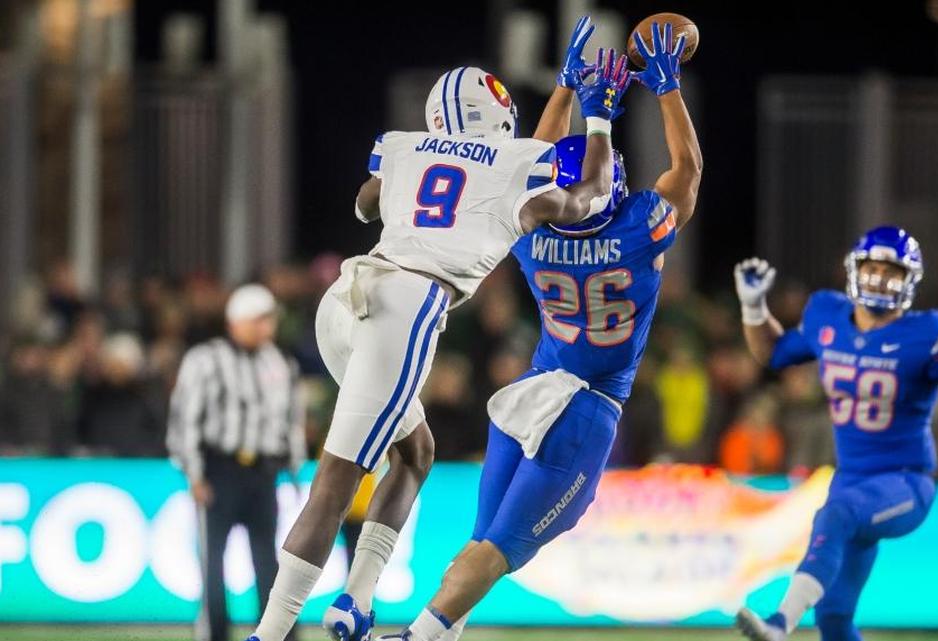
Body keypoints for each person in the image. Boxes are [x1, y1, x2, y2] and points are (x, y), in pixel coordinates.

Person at [246, 40, 632, 641]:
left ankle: (356, 600)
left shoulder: (401, 146)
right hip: (405, 309)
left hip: (344, 304)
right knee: (334, 485)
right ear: (499, 119)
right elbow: (587, 200)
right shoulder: (518, 163)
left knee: (415, 452)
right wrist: (600, 115)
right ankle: (267, 635)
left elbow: (364, 205)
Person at [381, 18, 701, 641]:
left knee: (481, 547)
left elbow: (525, 162)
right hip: (586, 408)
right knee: (498, 551)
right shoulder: (638, 230)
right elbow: (687, 170)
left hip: (529, 393)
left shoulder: (532, 232)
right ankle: (417, 636)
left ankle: (436, 633)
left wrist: (563, 90)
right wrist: (667, 88)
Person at [732, 226, 938, 641]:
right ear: (853, 270)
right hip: (851, 482)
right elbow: (774, 352)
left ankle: (779, 624)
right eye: (873, 268)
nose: (881, 279)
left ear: (910, 281)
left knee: (835, 515)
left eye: (892, 271)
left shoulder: (926, 334)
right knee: (833, 616)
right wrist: (754, 308)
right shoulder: (827, 315)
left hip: (905, 484)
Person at [166, 284, 306, 641]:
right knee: (213, 561)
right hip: (220, 470)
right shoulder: (206, 359)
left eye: (268, 320)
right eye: (259, 320)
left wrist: (292, 470)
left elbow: (291, 421)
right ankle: (214, 634)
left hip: (262, 472)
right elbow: (185, 418)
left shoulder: (280, 362)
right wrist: (194, 473)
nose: (266, 327)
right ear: (236, 321)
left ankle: (277, 634)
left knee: (269, 561)